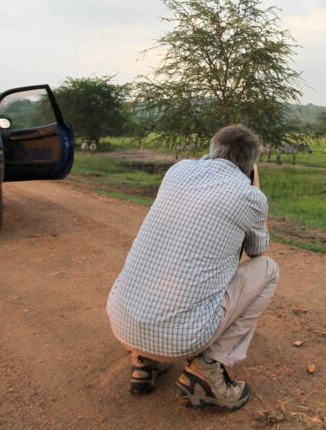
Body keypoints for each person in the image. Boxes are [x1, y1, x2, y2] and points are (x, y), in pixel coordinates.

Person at [106, 124, 279, 411]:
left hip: (122, 324)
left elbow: (209, 168)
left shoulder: (177, 171)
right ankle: (207, 370)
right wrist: (253, 181)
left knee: (167, 252)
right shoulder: (250, 197)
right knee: (268, 270)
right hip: (181, 339)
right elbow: (257, 251)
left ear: (212, 151)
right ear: (250, 164)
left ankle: (143, 360)